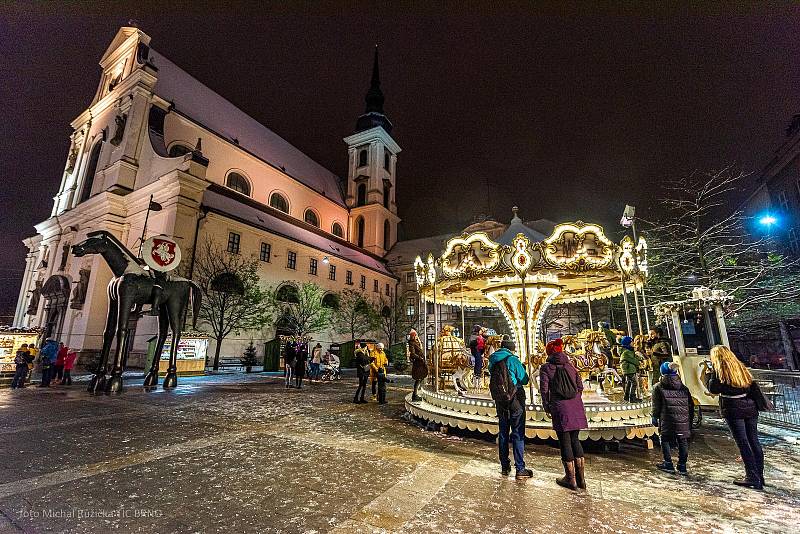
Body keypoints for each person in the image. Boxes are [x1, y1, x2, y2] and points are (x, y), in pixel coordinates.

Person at [705, 345, 766, 490]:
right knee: (754, 441)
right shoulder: (739, 367)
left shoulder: (720, 371)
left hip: (733, 409)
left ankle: (752, 477)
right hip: (750, 407)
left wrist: (711, 374)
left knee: (743, 443)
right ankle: (759, 475)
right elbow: (750, 385)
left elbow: (713, 389)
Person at [540, 338, 588, 490]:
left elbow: (544, 390)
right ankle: (582, 479)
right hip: (575, 406)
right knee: (575, 440)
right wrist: (574, 399)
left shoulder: (546, 368)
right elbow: (580, 386)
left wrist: (547, 406)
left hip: (560, 407)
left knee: (565, 441)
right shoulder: (571, 366)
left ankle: (570, 479)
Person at [488, 336, 532, 479]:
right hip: (515, 400)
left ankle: (504, 466)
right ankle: (520, 468)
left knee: (503, 433)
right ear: (512, 349)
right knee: (518, 433)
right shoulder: (513, 360)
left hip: (500, 401)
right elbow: (525, 379)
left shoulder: (493, 361)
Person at [652, 361, 692, 475]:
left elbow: (656, 405)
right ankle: (682, 466)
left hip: (666, 419)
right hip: (682, 420)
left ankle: (668, 463)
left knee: (665, 440)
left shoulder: (658, 387)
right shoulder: (683, 387)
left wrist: (654, 417)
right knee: (682, 441)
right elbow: (690, 404)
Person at [619, 336, 641, 402]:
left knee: (629, 383)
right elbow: (634, 360)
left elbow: (635, 357)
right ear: (628, 343)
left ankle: (626, 396)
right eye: (631, 342)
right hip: (629, 369)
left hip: (629, 369)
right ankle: (632, 397)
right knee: (634, 383)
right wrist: (638, 362)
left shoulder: (628, 351)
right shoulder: (626, 352)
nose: (633, 343)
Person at [408, 330, 427, 402]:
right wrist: (420, 358)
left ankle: (415, 394)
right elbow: (412, 354)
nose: (416, 337)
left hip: (420, 362)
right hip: (418, 363)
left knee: (420, 378)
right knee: (418, 379)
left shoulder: (416, 342)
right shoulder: (412, 343)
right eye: (415, 335)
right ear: (413, 336)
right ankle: (415, 395)